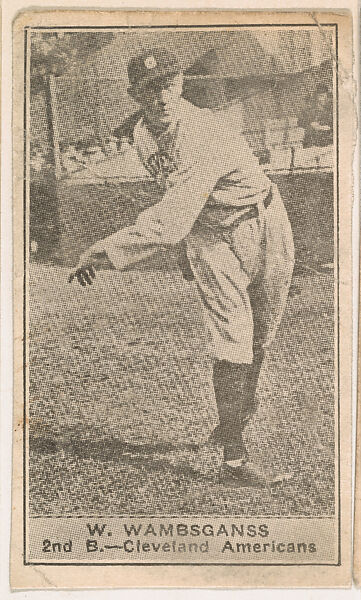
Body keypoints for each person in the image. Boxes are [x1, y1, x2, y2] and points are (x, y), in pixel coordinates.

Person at [69, 48, 295, 487]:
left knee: (260, 338)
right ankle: (234, 458)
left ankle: (233, 422)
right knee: (233, 340)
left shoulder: (203, 131)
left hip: (264, 220)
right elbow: (175, 206)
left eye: (168, 83)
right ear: (134, 93)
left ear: (181, 82)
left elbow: (171, 218)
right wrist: (182, 249)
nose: (162, 96)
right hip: (209, 235)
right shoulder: (141, 135)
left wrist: (101, 250)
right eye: (150, 88)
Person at [298, 83, 333, 148]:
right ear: (316, 97)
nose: (324, 99)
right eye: (321, 96)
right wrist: (310, 124)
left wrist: (328, 127)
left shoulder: (332, 109)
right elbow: (300, 122)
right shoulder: (309, 109)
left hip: (328, 140)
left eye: (326, 97)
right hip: (312, 141)